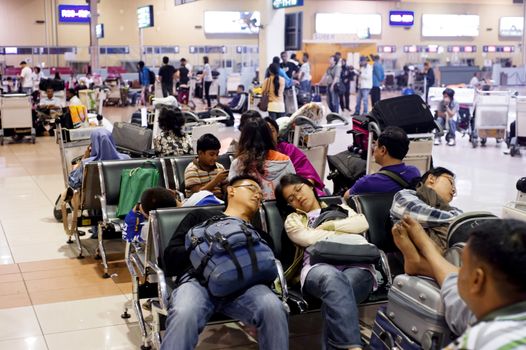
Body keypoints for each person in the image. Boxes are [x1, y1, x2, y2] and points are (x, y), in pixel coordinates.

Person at [162, 175, 289, 350]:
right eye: (252, 188)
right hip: (198, 283)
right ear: (231, 190)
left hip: (246, 287)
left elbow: (269, 269)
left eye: (261, 193)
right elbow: (169, 258)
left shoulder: (259, 235)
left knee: (273, 308)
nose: (258, 195)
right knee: (185, 312)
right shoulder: (201, 217)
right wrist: (208, 252)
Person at [392, 216, 526, 350]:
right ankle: (427, 259)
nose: (459, 272)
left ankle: (428, 257)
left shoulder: (479, 341)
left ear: (477, 280)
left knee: (462, 306)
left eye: (462, 267)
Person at [275, 174, 374, 350]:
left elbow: (361, 224)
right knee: (333, 280)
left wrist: (327, 227)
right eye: (291, 198)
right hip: (317, 267)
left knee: (337, 297)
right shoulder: (293, 220)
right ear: (289, 204)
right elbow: (307, 238)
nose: (298, 197)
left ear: (310, 186)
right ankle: (354, 347)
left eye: (299, 189)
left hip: (356, 263)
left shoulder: (341, 207)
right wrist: (342, 230)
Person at [390, 167, 463, 253]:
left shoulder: (451, 210)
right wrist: (459, 221)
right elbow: (420, 213)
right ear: (432, 179)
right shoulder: (405, 195)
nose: (454, 190)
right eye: (451, 182)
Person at [229, 111, 295, 200]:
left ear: (244, 138)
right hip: (279, 210)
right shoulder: (284, 160)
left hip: (249, 211)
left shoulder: (238, 164)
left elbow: (233, 195)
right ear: (268, 136)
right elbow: (293, 188)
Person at [344, 126, 421, 199]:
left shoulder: (367, 182)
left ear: (383, 150)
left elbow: (346, 197)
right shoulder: (414, 172)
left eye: (376, 145)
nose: (374, 148)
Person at [265, 117, 325, 196]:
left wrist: (300, 191)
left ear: (277, 133)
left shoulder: (289, 150)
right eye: (265, 133)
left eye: (272, 131)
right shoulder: (254, 156)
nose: (269, 136)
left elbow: (309, 177)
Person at [184, 133, 228, 199]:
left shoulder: (220, 167)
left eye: (217, 154)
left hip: (219, 203)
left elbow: (226, 191)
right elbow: (197, 195)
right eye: (212, 154)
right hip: (199, 206)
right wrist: (216, 180)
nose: (215, 158)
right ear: (200, 153)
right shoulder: (192, 169)